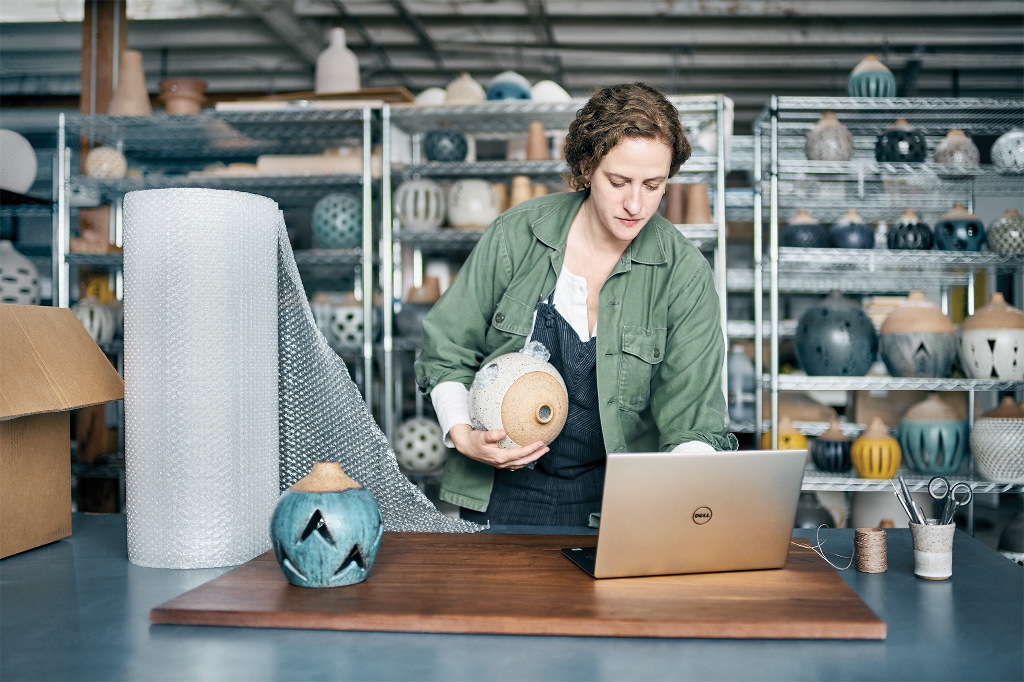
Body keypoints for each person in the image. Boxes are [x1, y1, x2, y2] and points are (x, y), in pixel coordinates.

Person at [415, 82, 738, 526]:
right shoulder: (516, 235)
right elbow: (445, 348)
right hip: (504, 488)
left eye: (653, 185)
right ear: (586, 167)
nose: (635, 204)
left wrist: (686, 504)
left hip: (622, 501)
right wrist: (462, 434)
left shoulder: (683, 274)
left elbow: (694, 418)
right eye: (619, 181)